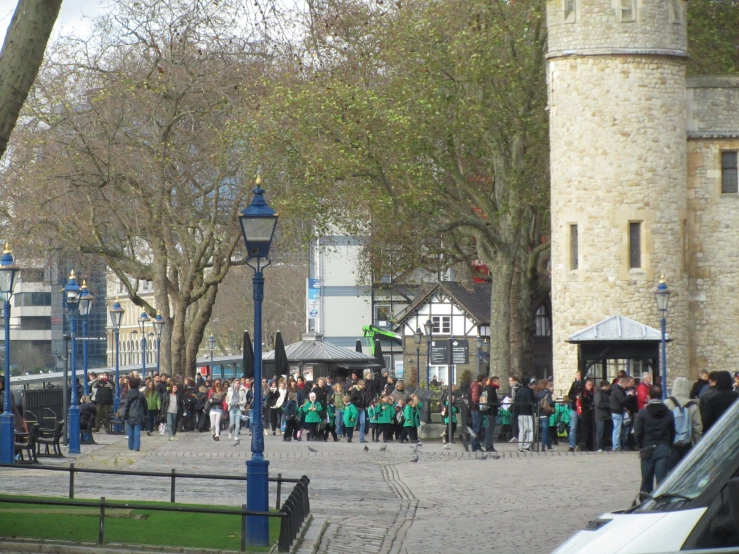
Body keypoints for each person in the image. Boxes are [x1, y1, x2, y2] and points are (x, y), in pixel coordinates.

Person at [634, 385, 675, 496]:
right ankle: (661, 501)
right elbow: (672, 432)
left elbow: (638, 432)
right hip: (663, 447)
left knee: (646, 480)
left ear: (648, 396)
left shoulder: (643, 413)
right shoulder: (669, 413)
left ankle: (645, 502)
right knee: (661, 480)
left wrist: (639, 445)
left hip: (647, 447)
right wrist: (668, 445)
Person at [664, 376, 702, 469]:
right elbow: (697, 426)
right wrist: (698, 443)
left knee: (671, 471)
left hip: (671, 443)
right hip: (686, 442)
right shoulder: (692, 405)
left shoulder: (667, 403)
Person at [513, 377, 536, 452]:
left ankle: (520, 446)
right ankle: (527, 445)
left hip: (520, 412)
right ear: (529, 383)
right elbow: (530, 401)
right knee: (530, 430)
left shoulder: (518, 390)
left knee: (522, 430)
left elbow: (516, 401)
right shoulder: (528, 391)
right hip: (528, 412)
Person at [123, 377, 145, 451]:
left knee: (130, 431)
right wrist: (145, 413)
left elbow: (126, 406)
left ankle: (130, 446)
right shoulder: (141, 394)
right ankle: (136, 447)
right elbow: (145, 405)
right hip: (138, 414)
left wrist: (125, 415)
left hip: (130, 414)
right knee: (137, 431)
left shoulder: (128, 394)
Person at [610, 375, 629, 451]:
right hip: (617, 411)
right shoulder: (618, 390)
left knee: (617, 429)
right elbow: (622, 400)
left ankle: (617, 445)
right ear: (623, 383)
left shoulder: (615, 389)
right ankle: (616, 446)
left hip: (615, 411)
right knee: (617, 429)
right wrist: (629, 396)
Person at [536, 380, 555, 451]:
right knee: (545, 431)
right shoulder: (547, 393)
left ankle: (549, 446)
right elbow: (549, 403)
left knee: (544, 430)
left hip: (539, 413)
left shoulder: (538, 393)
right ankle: (543, 447)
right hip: (545, 413)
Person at [482, 376, 500, 452]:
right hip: (491, 411)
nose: (499, 383)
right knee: (490, 429)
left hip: (490, 411)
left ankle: (488, 445)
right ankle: (489, 446)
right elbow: (491, 401)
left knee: (489, 429)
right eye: (498, 382)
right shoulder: (491, 389)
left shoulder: (488, 388)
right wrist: (499, 403)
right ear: (494, 382)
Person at [567, 371, 584, 452]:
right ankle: (572, 445)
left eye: (578, 375)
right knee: (573, 427)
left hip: (583, 408)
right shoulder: (574, 384)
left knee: (583, 426)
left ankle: (582, 443)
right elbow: (570, 394)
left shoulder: (585, 383)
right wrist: (576, 396)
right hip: (575, 408)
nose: (577, 376)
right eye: (576, 374)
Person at [469, 373, 485, 452]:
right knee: (476, 428)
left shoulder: (477, 387)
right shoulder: (476, 387)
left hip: (477, 409)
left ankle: (477, 446)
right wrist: (482, 400)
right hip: (476, 410)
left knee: (478, 428)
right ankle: (475, 447)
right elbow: (475, 398)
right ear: (483, 380)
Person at [594, 380, 611, 452]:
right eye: (608, 386)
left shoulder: (605, 393)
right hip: (600, 415)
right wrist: (609, 404)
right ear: (605, 386)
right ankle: (598, 447)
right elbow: (598, 403)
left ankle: (603, 446)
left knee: (604, 432)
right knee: (600, 432)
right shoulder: (598, 393)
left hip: (605, 415)